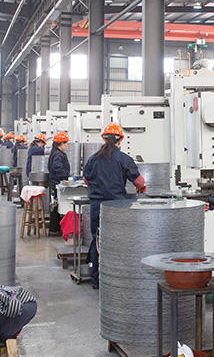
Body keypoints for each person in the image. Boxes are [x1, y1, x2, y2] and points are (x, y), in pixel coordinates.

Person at [82, 123, 146, 289]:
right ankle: (116, 280)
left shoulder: (93, 159)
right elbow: (139, 181)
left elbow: (86, 179)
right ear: (120, 140)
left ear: (103, 139)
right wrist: (141, 188)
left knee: (98, 240)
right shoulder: (124, 158)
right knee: (118, 242)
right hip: (117, 207)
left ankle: (97, 280)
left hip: (97, 206)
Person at [47, 131, 71, 236]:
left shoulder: (56, 153)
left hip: (56, 182)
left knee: (57, 206)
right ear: (61, 143)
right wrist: (67, 176)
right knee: (57, 207)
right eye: (66, 143)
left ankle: (56, 228)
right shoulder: (58, 154)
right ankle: (53, 229)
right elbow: (58, 168)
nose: (66, 146)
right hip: (57, 183)